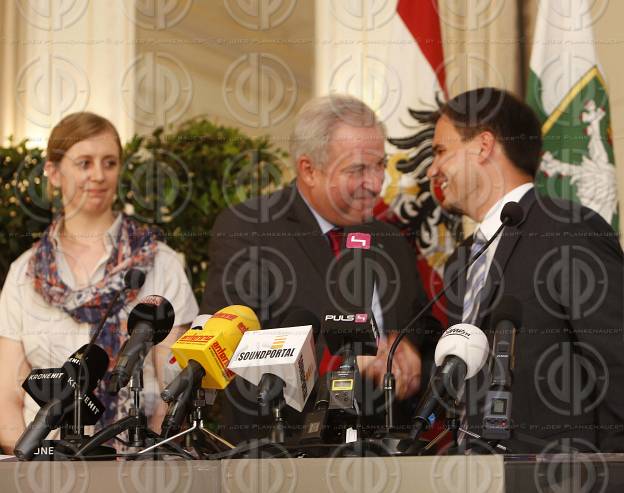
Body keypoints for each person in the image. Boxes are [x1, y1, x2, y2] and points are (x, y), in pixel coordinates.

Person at [201, 94, 439, 441]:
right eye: (357, 169)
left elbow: (425, 327)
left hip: (387, 456)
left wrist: (414, 355)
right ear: (308, 169)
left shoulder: (390, 239)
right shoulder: (250, 230)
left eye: (380, 166)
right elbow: (232, 349)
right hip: (284, 453)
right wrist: (345, 367)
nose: (375, 184)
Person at [428, 87, 624, 453]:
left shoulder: (566, 229)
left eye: (441, 151)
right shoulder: (461, 261)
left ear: (483, 146)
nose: (433, 169)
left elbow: (616, 364)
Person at [0, 112, 198, 454]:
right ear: (53, 172)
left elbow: (173, 388)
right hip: (46, 472)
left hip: (139, 468)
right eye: (84, 163)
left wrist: (143, 464)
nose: (99, 175)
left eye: (109, 162)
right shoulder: (25, 274)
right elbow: (6, 397)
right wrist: (34, 468)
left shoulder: (160, 262)